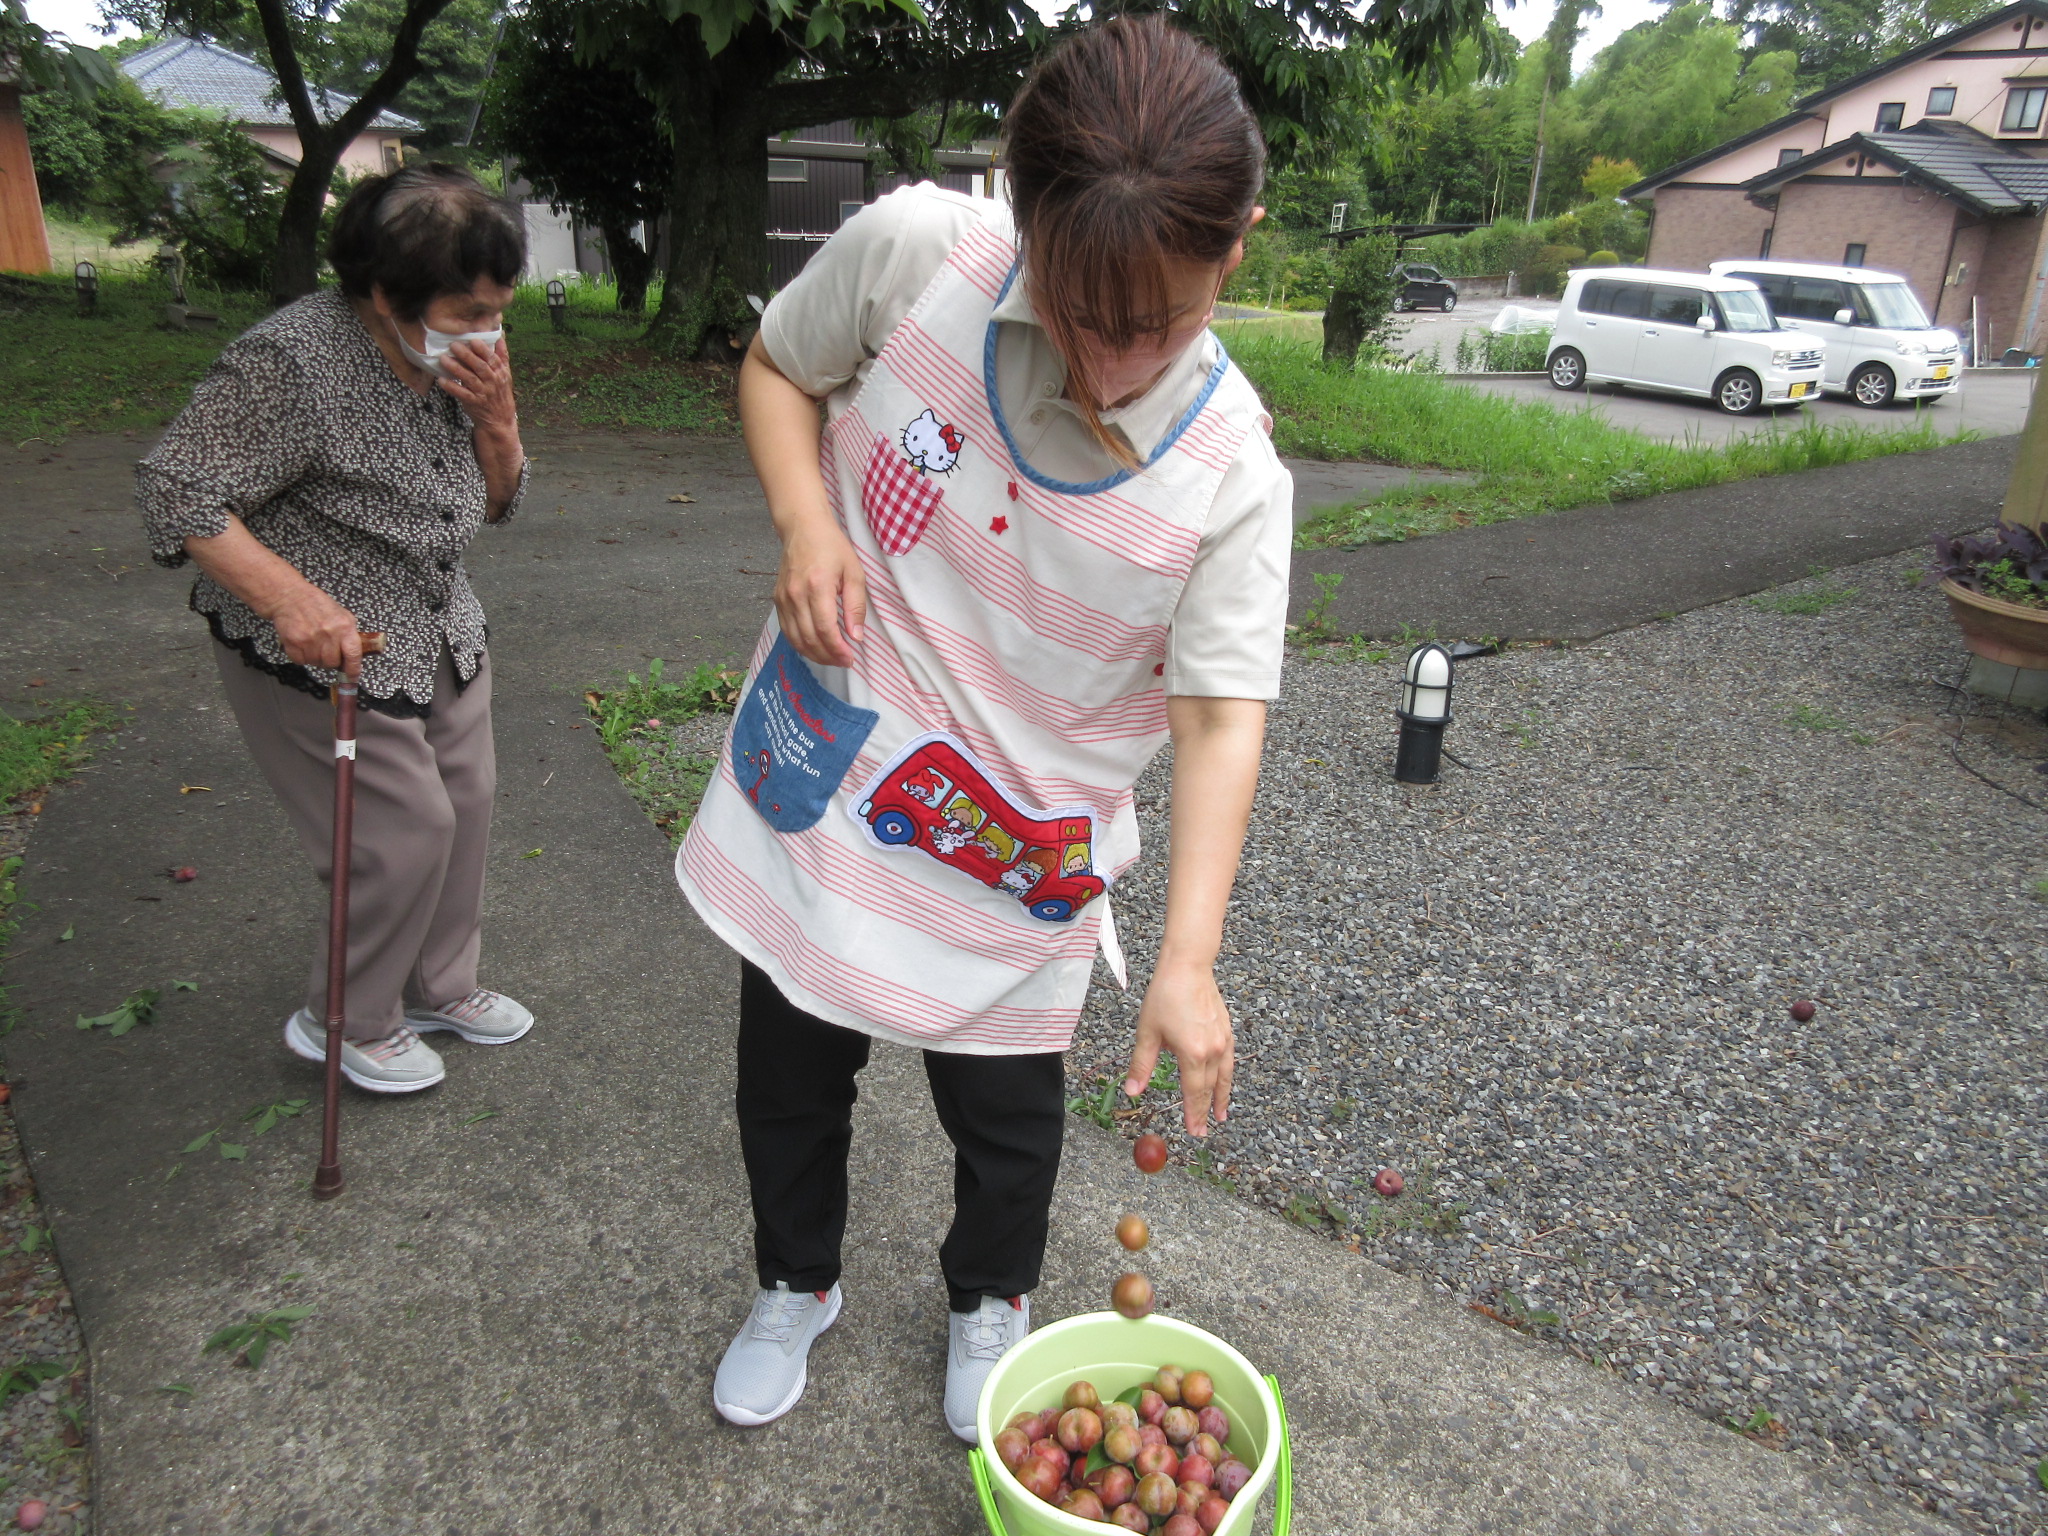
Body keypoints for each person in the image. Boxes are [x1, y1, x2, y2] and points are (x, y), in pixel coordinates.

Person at [676, 17, 1292, 1437]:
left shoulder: (1232, 481)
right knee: (787, 1070)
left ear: (1235, 249)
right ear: (1021, 213)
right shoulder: (918, 255)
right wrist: (806, 523)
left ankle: (988, 1299)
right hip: (834, 776)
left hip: (1015, 846)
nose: (1112, 362)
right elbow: (778, 367)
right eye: (1079, 309)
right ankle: (794, 1280)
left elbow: (1218, 720)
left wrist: (1189, 959)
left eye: (1160, 322)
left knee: (1006, 1120)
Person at [137, 164, 537, 1094]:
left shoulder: (458, 358)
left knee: (467, 804)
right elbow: (175, 486)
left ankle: (439, 986)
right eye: (469, 310)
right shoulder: (291, 364)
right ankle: (346, 1019)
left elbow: (500, 501)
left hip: (438, 619)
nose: (488, 330)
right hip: (325, 645)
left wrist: (498, 422)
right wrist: (290, 600)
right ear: (384, 295)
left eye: (499, 309)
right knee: (401, 833)